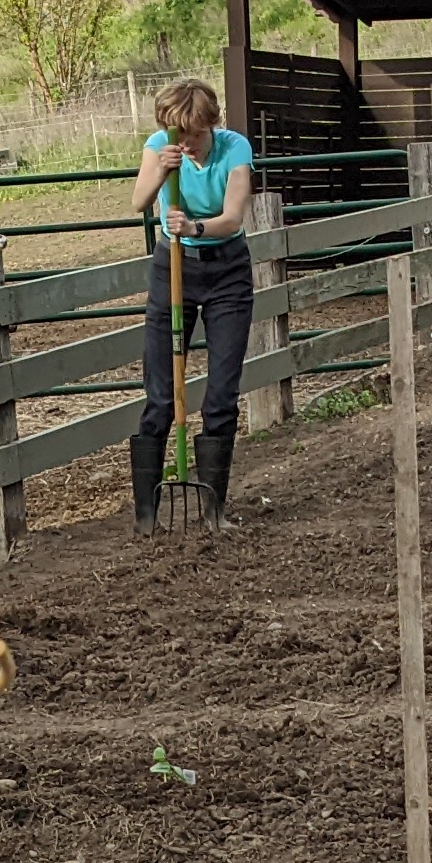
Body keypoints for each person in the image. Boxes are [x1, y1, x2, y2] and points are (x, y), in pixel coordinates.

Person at [129, 75, 256, 532]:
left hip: (226, 273)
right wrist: (162, 171)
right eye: (181, 136)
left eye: (197, 135)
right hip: (172, 270)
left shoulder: (235, 148)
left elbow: (233, 216)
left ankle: (212, 511)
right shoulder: (160, 148)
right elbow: (139, 201)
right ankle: (146, 516)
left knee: (221, 395)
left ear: (211, 126)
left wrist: (195, 228)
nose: (190, 145)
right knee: (161, 395)